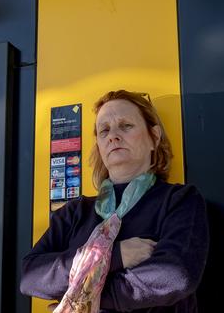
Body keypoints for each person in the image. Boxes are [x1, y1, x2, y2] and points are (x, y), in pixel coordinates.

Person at [20, 90, 209, 312]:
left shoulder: (179, 200)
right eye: (104, 130)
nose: (113, 136)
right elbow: (30, 276)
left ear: (154, 137)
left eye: (126, 126)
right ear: (99, 146)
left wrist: (81, 300)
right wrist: (113, 255)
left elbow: (175, 275)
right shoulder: (75, 212)